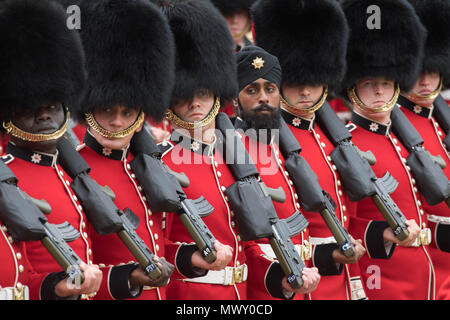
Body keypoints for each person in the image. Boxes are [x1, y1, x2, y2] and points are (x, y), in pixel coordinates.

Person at [153, 0, 320, 300]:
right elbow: (157, 246)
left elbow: (249, 241)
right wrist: (190, 258)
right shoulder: (161, 162)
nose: (195, 104)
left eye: (203, 93)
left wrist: (282, 279)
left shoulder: (232, 156)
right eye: (183, 96)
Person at [0, 0, 146, 300]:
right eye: (30, 108)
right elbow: (18, 279)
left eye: (52, 106)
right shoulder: (8, 176)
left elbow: (88, 269)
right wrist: (54, 288)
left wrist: (126, 277)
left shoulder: (69, 174)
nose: (44, 116)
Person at [251, 0, 375, 300]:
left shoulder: (331, 135)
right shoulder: (259, 140)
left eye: (313, 81)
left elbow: (352, 210)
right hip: (295, 280)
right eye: (294, 83)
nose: (305, 92)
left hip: (340, 280)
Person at [74, 0, 179, 300]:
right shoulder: (74, 171)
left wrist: (188, 258)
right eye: (106, 109)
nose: (117, 120)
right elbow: (74, 269)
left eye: (128, 110)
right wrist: (127, 277)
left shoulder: (150, 167)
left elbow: (165, 242)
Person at [341, 0, 435, 299]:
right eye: (369, 83)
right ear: (351, 88)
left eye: (385, 82)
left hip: (423, 273)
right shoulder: (348, 143)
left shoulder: (402, 138)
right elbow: (344, 221)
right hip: (381, 277)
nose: (380, 91)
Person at [396, 0, 450, 295]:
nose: (427, 81)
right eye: (418, 72)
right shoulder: (396, 129)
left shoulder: (441, 121)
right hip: (422, 269)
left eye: (433, 71)